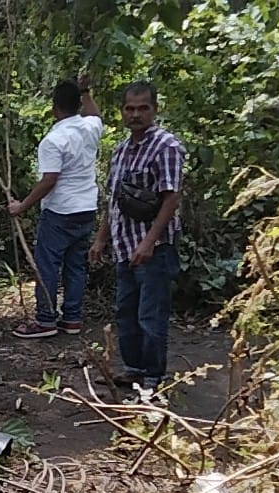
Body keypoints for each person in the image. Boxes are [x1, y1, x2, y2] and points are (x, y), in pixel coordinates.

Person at [88, 80, 185, 392]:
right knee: (126, 312)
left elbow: (171, 198)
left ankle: (153, 377)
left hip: (153, 248)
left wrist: (149, 242)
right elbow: (114, 200)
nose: (136, 114)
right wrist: (101, 238)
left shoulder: (165, 147)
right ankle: (133, 369)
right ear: (122, 112)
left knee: (150, 314)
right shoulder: (121, 150)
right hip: (124, 245)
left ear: (155, 109)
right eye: (130, 108)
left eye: (143, 108)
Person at [9, 76, 103, 338]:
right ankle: (72, 318)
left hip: (60, 211)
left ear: (54, 108)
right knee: (75, 264)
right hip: (86, 208)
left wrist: (22, 206)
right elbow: (95, 114)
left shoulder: (53, 140)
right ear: (77, 104)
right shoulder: (89, 127)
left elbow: (49, 180)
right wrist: (86, 91)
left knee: (47, 264)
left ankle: (46, 319)